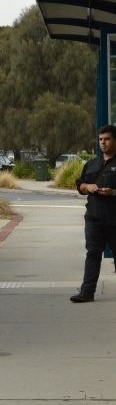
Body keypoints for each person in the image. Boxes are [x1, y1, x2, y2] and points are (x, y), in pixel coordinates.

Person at [71, 124, 116, 302]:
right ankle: (87, 292)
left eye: (107, 139)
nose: (103, 143)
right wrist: (87, 187)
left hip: (114, 219)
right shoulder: (92, 164)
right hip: (94, 218)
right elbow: (80, 185)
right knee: (93, 253)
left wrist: (113, 192)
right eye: (100, 139)